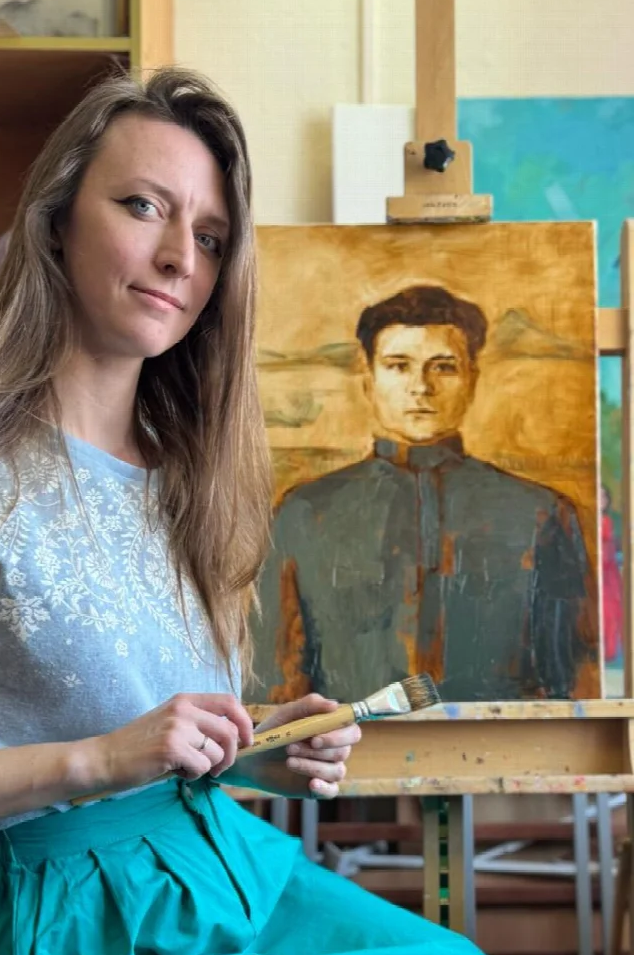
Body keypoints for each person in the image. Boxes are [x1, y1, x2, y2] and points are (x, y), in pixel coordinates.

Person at [0, 70, 601, 955]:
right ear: (54, 220)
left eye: (208, 235)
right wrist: (98, 760)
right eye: (141, 206)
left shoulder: (190, 484)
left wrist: (259, 749)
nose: (177, 256)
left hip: (228, 877)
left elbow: (165, 738)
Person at [253, 284, 598, 706]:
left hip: (503, 744)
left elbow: (577, 687)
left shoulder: (541, 513)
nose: (421, 387)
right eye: (399, 366)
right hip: (344, 745)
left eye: (444, 367)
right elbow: (274, 683)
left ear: (472, 380)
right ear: (368, 381)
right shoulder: (306, 511)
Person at [601, 483, 623, 664]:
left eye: (603, 497)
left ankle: (609, 650)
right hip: (597, 569)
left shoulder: (607, 521)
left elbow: (609, 549)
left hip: (608, 573)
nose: (601, 500)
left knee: (610, 610)